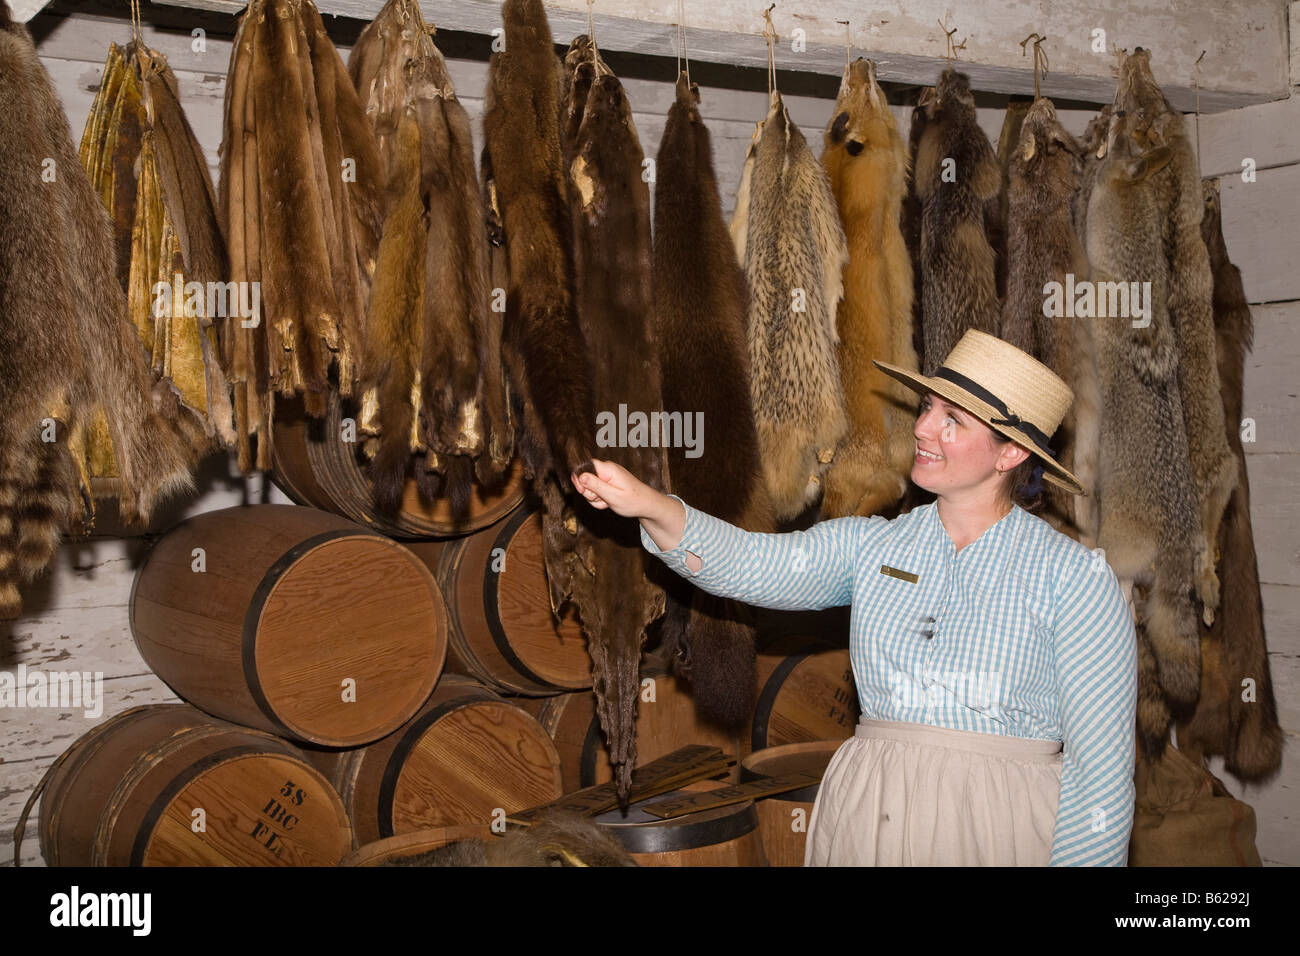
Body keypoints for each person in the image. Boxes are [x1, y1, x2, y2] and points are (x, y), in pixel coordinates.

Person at [572, 329, 1137, 866]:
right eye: (928, 408)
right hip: (872, 816)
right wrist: (652, 505)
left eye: (952, 420)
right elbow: (755, 564)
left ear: (1010, 454)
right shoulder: (873, 544)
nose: (922, 428)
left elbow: (1101, 775)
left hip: (999, 825)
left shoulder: (1074, 578)